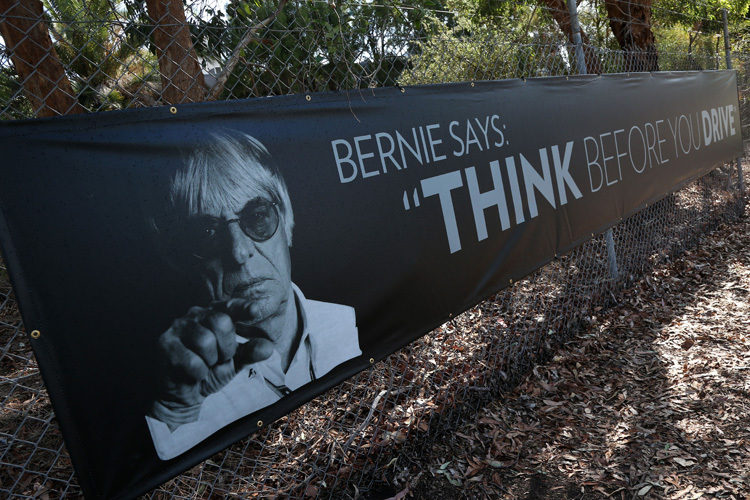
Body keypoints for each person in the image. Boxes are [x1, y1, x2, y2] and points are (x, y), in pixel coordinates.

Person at [145, 131, 361, 460]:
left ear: (286, 219)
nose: (238, 251)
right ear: (182, 260)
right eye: (206, 233)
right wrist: (176, 412)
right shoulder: (187, 388)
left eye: (257, 216)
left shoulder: (349, 320)